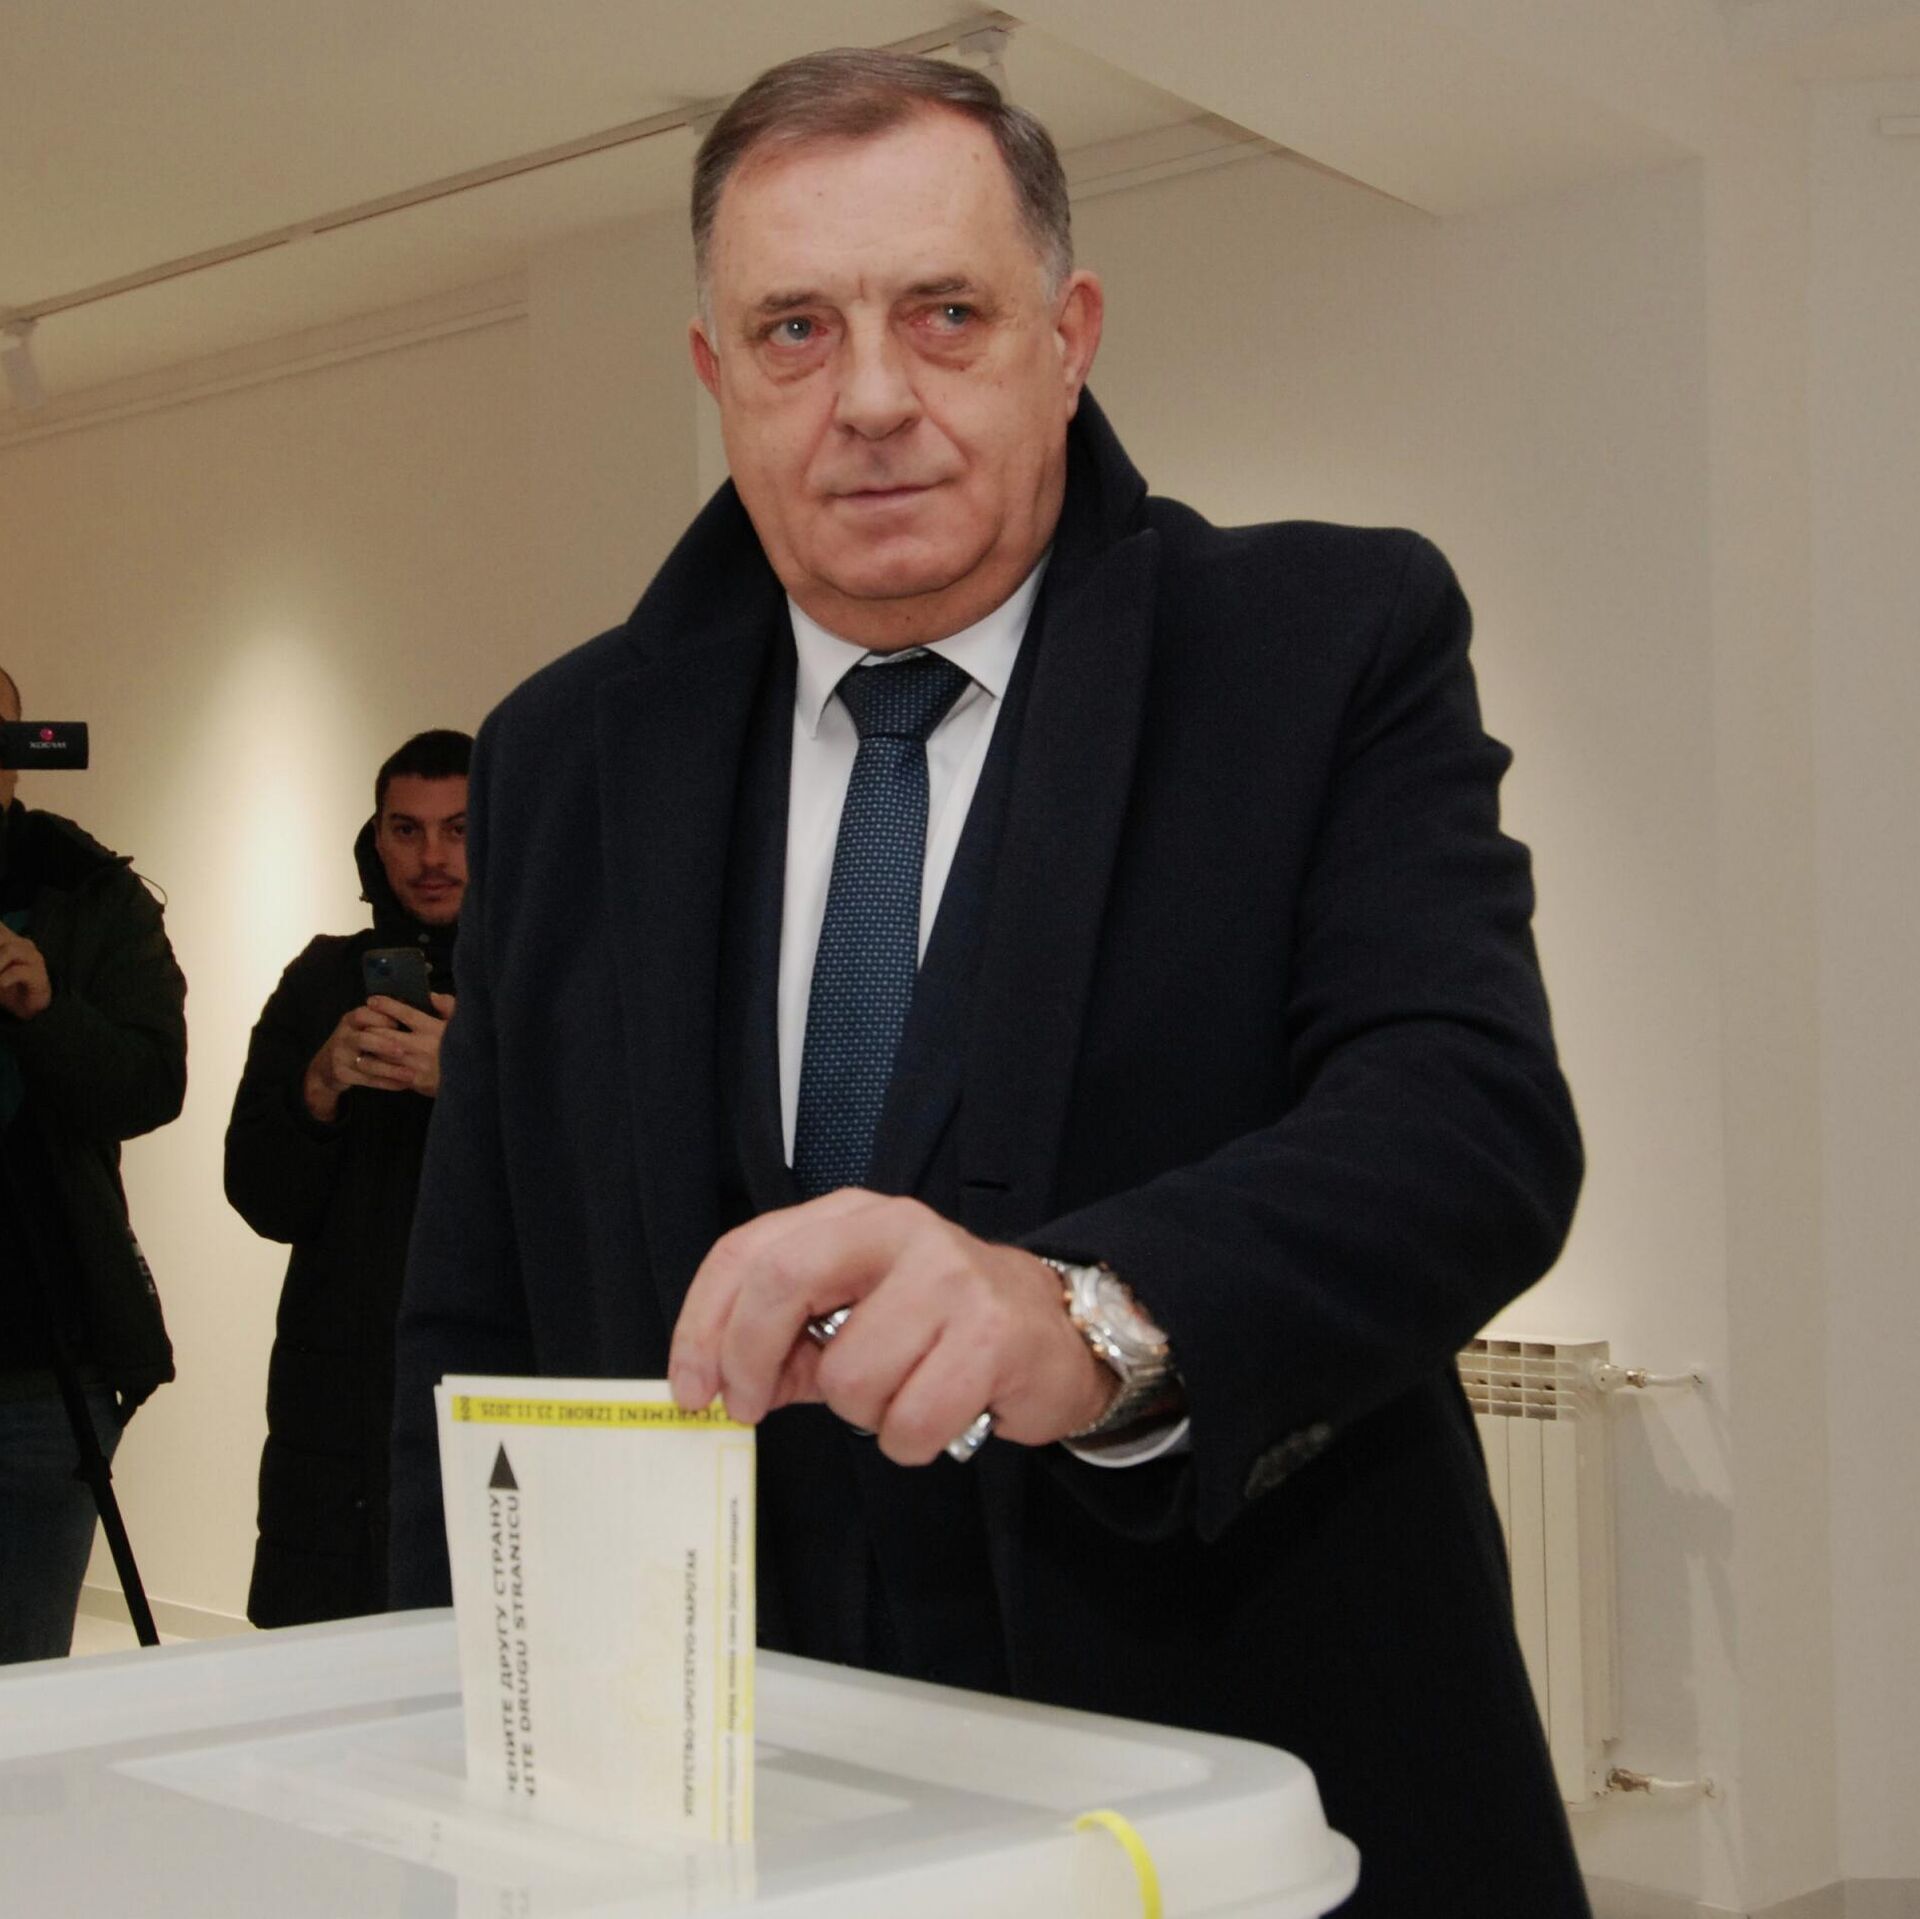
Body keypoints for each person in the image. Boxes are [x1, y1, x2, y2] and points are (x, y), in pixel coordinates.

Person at [390, 51, 1588, 1917]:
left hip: (1234, 1787)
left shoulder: (1319, 646)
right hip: (719, 1818)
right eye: (796, 329)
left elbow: (1467, 1124)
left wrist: (1091, 1315)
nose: (873, 397)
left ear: (1068, 337)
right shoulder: (563, 753)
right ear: (715, 373)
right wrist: (435, 1767)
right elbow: (473, 1311)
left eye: (945, 313)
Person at [226, 729, 468, 1626]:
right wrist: (320, 1085)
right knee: (312, 1671)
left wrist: (472, 1078)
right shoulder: (319, 980)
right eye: (407, 829)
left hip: (488, 1388)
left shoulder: (549, 983)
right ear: (376, 838)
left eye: (459, 829)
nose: (432, 856)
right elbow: (258, 1193)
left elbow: (597, 1187)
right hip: (331, 1402)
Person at [0, 665, 187, 1662]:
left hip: (42, 1371)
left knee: (25, 1696)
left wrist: (46, 1011)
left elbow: (153, 1083)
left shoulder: (89, 893)